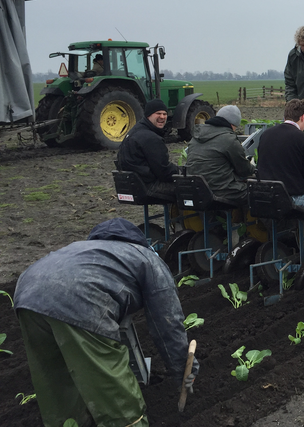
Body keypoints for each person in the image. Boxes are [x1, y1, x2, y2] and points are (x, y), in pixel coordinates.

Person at [13, 218, 199, 427]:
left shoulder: (84, 250)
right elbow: (167, 323)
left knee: (57, 384)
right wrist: (182, 368)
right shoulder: (145, 257)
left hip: (27, 294)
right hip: (80, 300)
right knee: (117, 403)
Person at [186, 104, 253, 205]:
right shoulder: (229, 139)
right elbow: (244, 170)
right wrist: (252, 165)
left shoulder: (196, 137)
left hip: (196, 189)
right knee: (257, 193)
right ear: (232, 125)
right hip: (220, 191)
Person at [117, 98, 178, 199]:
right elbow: (163, 171)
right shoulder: (150, 138)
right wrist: (180, 171)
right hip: (146, 187)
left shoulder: (135, 131)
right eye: (158, 113)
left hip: (131, 186)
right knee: (191, 189)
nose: (162, 117)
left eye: (165, 114)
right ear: (148, 115)